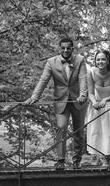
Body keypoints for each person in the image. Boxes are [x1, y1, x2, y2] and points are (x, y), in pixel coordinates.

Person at [24, 37, 88, 170]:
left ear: (72, 48)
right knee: (61, 127)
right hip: (61, 101)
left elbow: (82, 78)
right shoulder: (51, 62)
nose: (65, 50)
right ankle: (61, 160)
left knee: (79, 131)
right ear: (60, 48)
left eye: (68, 48)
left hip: (78, 100)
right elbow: (43, 80)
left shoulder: (80, 60)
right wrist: (34, 97)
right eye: (63, 48)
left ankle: (77, 160)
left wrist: (83, 95)